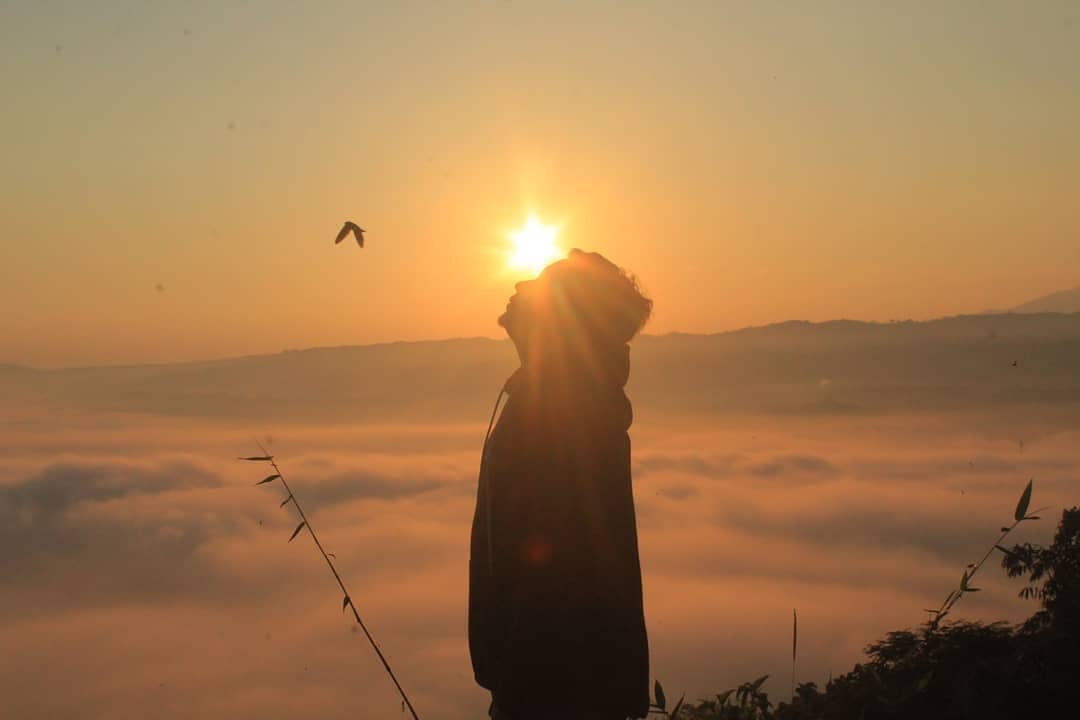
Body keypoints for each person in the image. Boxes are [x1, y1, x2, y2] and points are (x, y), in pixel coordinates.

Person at [469, 249, 653, 720]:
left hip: (550, 684)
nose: (520, 288)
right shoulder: (559, 396)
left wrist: (518, 686)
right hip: (550, 677)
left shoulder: (563, 409)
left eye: (540, 285)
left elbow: (557, 566)